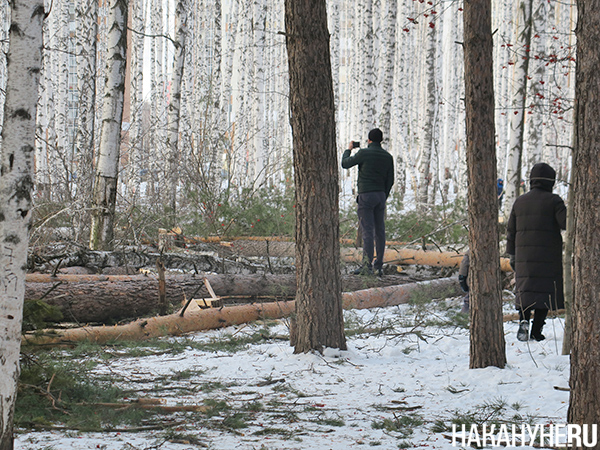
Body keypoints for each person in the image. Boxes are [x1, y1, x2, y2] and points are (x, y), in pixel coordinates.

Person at [506, 162, 566, 342]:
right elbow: (566, 223)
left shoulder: (520, 201)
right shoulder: (554, 201)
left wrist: (512, 255)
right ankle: (537, 330)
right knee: (544, 292)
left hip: (523, 255)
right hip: (548, 256)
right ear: (551, 181)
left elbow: (511, 231)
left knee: (526, 290)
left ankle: (524, 321)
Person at [342, 128, 394, 276]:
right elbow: (391, 180)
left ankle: (367, 266)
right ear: (381, 140)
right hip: (380, 196)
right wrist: (384, 195)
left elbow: (345, 164)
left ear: (369, 140)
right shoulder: (387, 157)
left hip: (366, 196)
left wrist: (348, 149)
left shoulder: (363, 153)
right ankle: (379, 266)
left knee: (368, 231)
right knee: (380, 231)